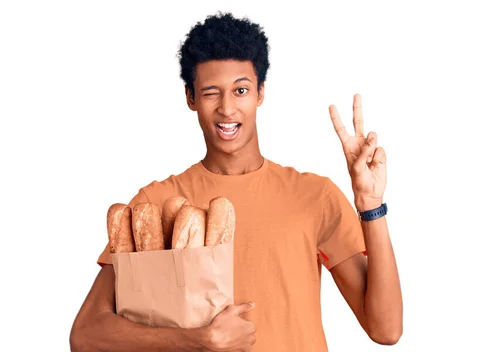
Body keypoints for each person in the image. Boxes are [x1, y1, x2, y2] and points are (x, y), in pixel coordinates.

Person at [69, 12, 402, 352]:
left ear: (260, 93)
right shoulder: (156, 206)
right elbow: (86, 335)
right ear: (191, 98)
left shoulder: (314, 196)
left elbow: (386, 329)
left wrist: (371, 205)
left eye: (240, 90)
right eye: (211, 92)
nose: (227, 108)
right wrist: (196, 341)